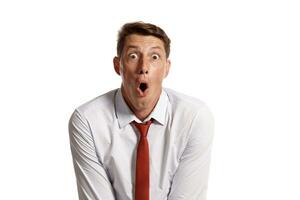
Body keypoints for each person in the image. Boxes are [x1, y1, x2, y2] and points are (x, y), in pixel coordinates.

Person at [68, 21, 214, 200]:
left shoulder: (194, 118)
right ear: (117, 65)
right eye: (133, 56)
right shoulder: (88, 121)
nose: (143, 68)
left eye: (154, 57)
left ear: (166, 68)